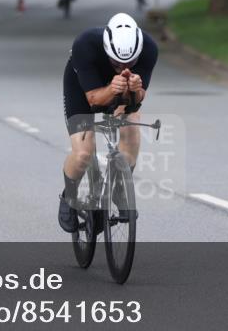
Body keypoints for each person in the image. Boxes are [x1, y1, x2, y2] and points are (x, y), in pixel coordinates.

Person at [58, 13, 159, 233]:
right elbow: (93, 100)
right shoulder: (85, 44)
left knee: (131, 129)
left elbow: (137, 99)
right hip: (84, 89)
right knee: (83, 153)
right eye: (115, 62)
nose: (122, 67)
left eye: (130, 63)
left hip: (121, 93)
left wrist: (134, 91)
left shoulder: (149, 48)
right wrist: (112, 88)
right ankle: (69, 196)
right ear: (106, 49)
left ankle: (121, 189)